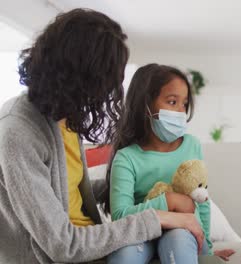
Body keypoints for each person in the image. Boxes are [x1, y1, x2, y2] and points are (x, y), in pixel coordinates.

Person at [0, 9, 203, 263]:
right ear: (78, 77)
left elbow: (68, 192)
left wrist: (132, 184)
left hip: (92, 248)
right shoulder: (18, 132)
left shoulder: (62, 115)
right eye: (104, 81)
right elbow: (64, 245)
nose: (107, 92)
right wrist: (158, 216)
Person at [105, 63, 235, 263]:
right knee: (125, 254)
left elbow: (202, 203)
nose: (180, 112)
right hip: (141, 233)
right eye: (172, 102)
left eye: (184, 104)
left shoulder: (192, 146)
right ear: (145, 105)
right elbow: (120, 217)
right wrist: (168, 201)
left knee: (180, 243)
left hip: (181, 231)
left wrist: (206, 250)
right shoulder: (126, 158)